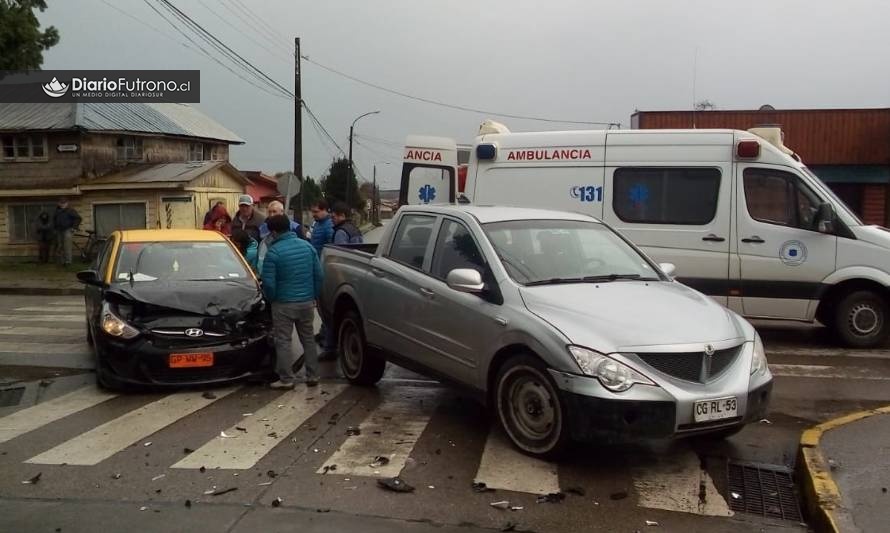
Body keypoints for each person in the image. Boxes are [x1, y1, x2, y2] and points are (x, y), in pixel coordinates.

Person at [261, 214, 323, 388]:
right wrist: (313, 296)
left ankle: (287, 379)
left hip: (283, 304)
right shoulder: (307, 247)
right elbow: (319, 275)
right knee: (308, 338)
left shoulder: (273, 252)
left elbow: (269, 284)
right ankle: (313, 375)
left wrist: (272, 299)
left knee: (283, 341)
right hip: (306, 302)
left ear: (273, 231)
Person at [257, 200, 304, 273]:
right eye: (270, 212)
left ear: (282, 212)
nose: (272, 214)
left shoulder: (295, 227)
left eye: (274, 211)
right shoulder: (263, 227)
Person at [52, 197, 81, 265]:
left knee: (67, 246)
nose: (62, 204)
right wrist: (54, 229)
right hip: (59, 230)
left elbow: (78, 218)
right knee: (60, 246)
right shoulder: (57, 211)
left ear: (67, 203)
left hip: (67, 230)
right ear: (58, 203)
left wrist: (74, 227)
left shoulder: (71, 210)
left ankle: (68, 261)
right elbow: (54, 220)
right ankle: (62, 261)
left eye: (64, 203)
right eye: (61, 203)